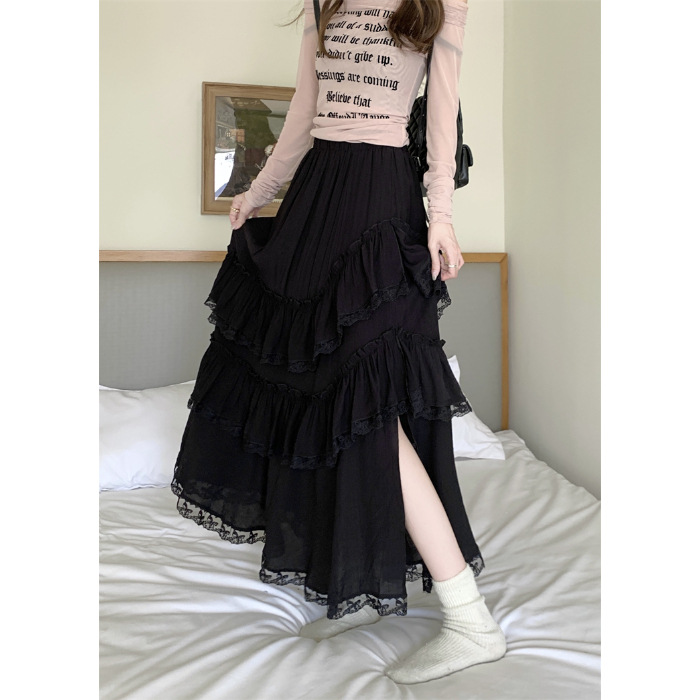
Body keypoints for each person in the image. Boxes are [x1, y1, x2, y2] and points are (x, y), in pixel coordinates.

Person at [172, 0, 506, 684]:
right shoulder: (324, 2)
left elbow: (441, 114)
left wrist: (441, 216)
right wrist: (259, 191)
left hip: (382, 205)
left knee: (370, 403)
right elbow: (305, 110)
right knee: (320, 393)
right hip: (316, 200)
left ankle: (471, 620)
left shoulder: (438, 4)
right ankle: (354, 582)